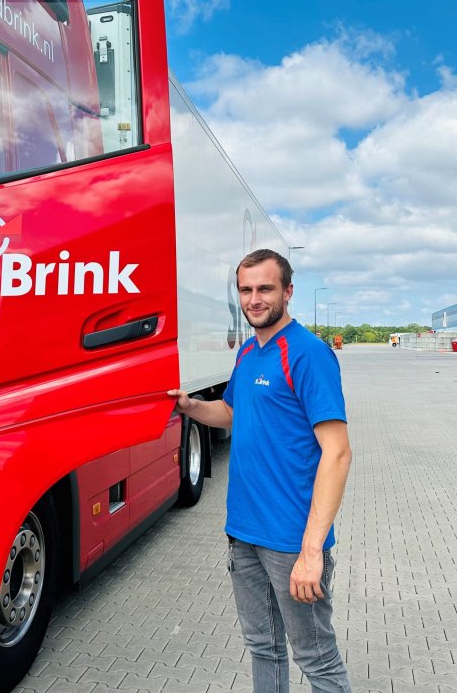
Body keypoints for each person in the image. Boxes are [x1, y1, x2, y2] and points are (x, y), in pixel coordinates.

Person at [168, 249, 353, 693]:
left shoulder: (308, 354)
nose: (255, 299)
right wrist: (191, 406)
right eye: (246, 290)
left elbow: (338, 453)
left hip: (291, 541)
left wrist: (311, 551)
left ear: (288, 292)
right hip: (244, 534)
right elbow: (231, 411)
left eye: (265, 288)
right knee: (263, 647)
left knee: (316, 658)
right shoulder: (249, 352)